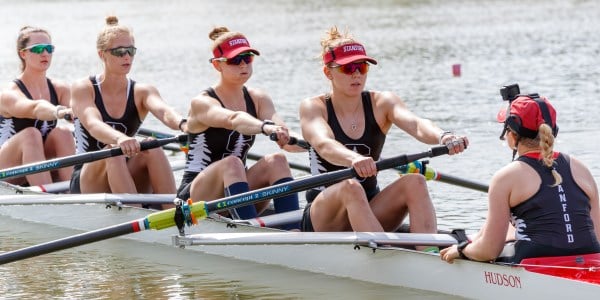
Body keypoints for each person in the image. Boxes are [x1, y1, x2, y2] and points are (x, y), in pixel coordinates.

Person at [299, 27, 468, 251]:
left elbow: (416, 124)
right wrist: (353, 159)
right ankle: (390, 260)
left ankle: (428, 254)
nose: (356, 74)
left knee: (415, 182)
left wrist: (443, 136)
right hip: (325, 218)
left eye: (362, 66)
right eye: (348, 68)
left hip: (369, 207)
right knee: (350, 186)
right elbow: (323, 144)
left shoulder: (383, 103)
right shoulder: (314, 107)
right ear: (328, 72)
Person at [441, 90, 600, 264]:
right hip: (591, 258)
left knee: (490, 245)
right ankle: (477, 236)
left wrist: (461, 249)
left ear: (512, 134)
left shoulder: (506, 177)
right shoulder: (581, 168)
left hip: (534, 261)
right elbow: (597, 235)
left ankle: (472, 240)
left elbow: (489, 251)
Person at [176, 27, 304, 230]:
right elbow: (233, 119)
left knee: (277, 160)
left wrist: (320, 144)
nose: (243, 64)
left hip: (236, 191)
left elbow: (286, 138)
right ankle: (251, 231)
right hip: (195, 199)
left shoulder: (258, 98)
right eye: (236, 60)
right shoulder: (202, 102)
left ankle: (292, 232)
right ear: (218, 65)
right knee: (233, 163)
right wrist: (265, 127)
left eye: (248, 58)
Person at [70, 16, 186, 196]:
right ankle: (135, 213)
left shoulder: (143, 91)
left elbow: (165, 112)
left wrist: (185, 125)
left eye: (131, 51)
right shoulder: (84, 88)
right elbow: (93, 124)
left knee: (152, 146)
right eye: (119, 52)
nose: (126, 57)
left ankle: (173, 212)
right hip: (87, 178)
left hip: (124, 168)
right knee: (113, 151)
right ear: (102, 55)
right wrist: (119, 138)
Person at [0, 26, 74, 186]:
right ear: (23, 54)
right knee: (31, 134)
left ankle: (74, 193)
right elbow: (34, 108)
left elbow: (85, 114)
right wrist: (60, 112)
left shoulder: (60, 88)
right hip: (7, 168)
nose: (45, 53)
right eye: (38, 49)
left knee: (63, 132)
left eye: (49, 48)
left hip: (38, 162)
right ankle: (48, 196)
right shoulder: (9, 94)